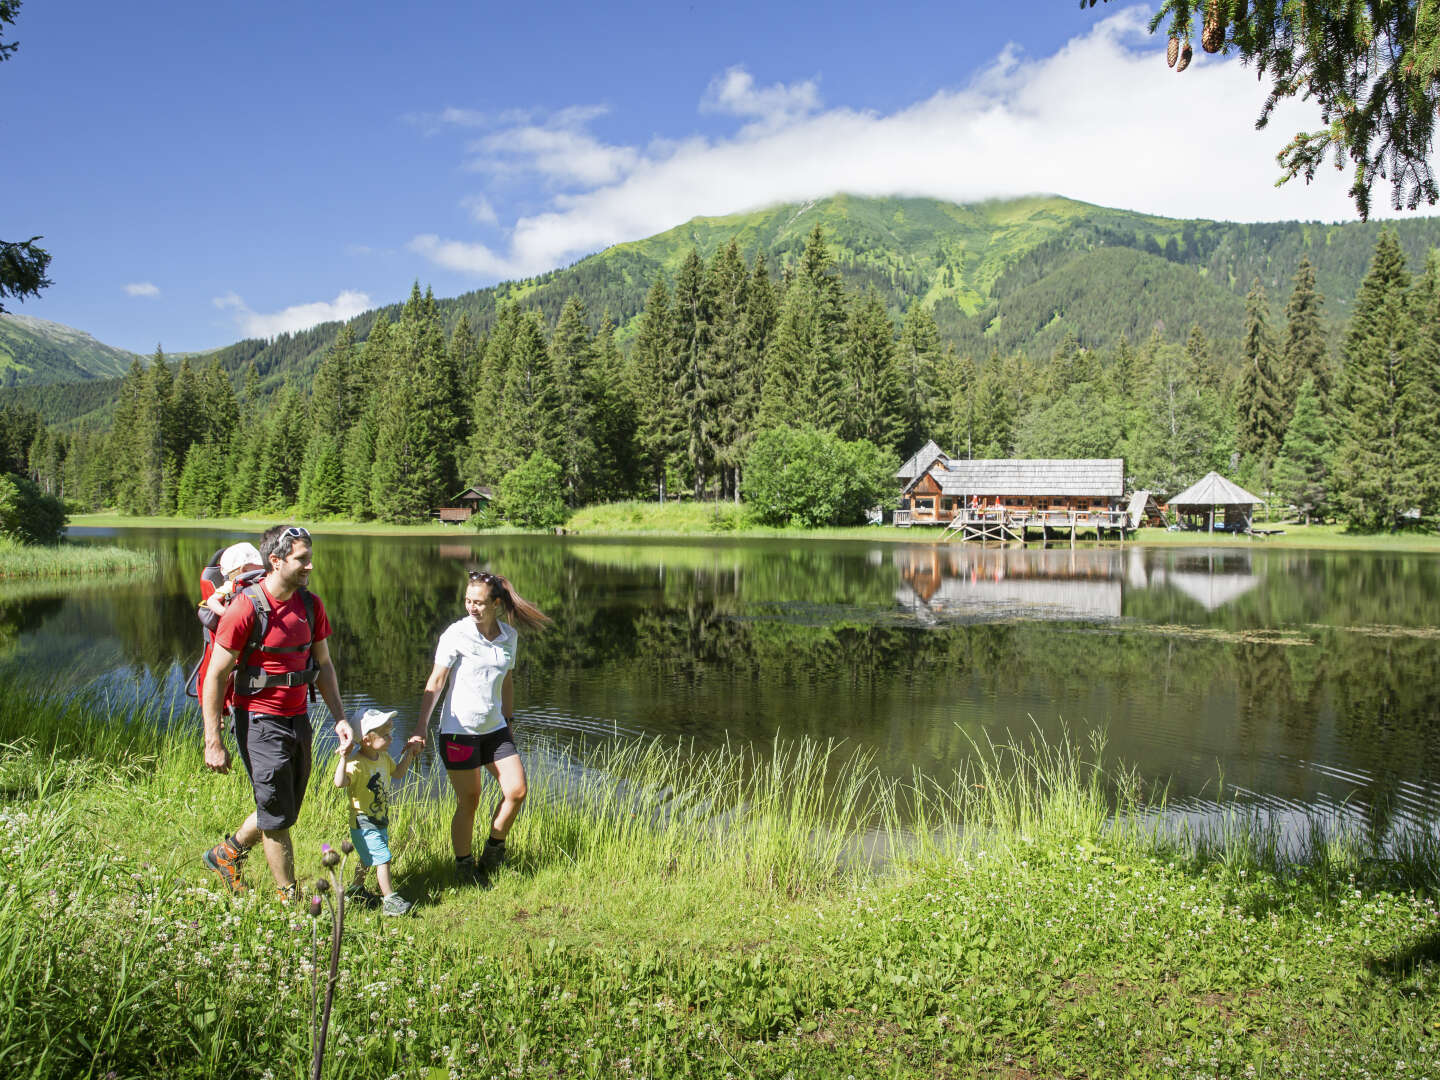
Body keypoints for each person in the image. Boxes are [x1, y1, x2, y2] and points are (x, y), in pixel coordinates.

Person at [200, 524, 353, 901]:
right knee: (276, 816)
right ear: (276, 560)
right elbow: (215, 676)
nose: (310, 567)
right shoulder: (245, 608)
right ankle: (289, 898)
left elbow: (325, 667)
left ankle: (226, 853)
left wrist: (340, 718)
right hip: (257, 721)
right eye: (302, 560)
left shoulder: (310, 605)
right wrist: (213, 741)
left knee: (284, 808)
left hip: (297, 718)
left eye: (310, 558)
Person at [412, 569, 550, 880]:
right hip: (459, 732)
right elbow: (436, 681)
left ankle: (493, 851)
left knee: (516, 791)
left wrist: (509, 719)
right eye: (467, 601)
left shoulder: (508, 637)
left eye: (479, 603)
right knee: (470, 800)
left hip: (496, 730)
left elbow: (507, 680)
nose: (472, 607)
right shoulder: (456, 634)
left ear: (497, 604)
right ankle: (463, 866)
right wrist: (420, 727)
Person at [333, 707, 418, 915]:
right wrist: (343, 758)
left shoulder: (382, 757)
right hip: (363, 822)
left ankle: (355, 890)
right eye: (385, 734)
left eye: (391, 733)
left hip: (380, 818)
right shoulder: (355, 762)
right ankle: (390, 900)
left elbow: (397, 773)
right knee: (383, 857)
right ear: (366, 740)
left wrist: (409, 754)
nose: (391, 738)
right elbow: (339, 782)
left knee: (366, 857)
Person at [202, 542, 264, 620]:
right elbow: (212, 600)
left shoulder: (263, 581)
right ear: (244, 570)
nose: (263, 571)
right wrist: (227, 614)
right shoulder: (231, 585)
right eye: (261, 567)